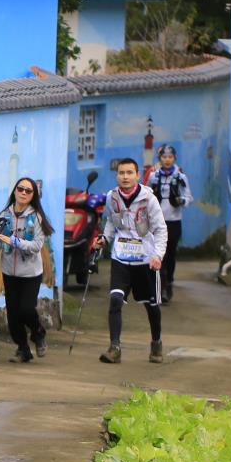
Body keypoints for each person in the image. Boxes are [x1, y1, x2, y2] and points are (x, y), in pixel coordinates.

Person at [92, 158, 167, 364]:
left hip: (145, 260)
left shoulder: (148, 199)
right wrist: (104, 238)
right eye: (121, 173)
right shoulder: (112, 197)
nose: (125, 177)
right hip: (121, 257)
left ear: (137, 175)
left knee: (151, 305)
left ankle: (156, 343)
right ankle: (114, 348)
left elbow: (161, 229)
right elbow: (111, 221)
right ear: (117, 175)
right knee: (115, 300)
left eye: (129, 173)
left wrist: (158, 255)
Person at [0, 176, 54, 363]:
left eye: (28, 191)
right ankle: (23, 349)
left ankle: (38, 332)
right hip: (9, 272)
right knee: (13, 315)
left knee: (26, 309)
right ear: (15, 191)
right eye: (20, 189)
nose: (23, 193)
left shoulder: (36, 217)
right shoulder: (4, 215)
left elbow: (36, 246)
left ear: (33, 195)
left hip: (30, 273)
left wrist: (14, 241)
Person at [142, 144, 192, 304]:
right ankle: (160, 286)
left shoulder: (180, 177)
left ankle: (169, 281)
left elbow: (189, 197)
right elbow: (145, 194)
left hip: (174, 221)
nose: (167, 160)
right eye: (164, 157)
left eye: (170, 157)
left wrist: (181, 200)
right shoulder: (153, 176)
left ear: (174, 158)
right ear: (160, 159)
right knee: (157, 253)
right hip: (156, 222)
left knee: (170, 254)